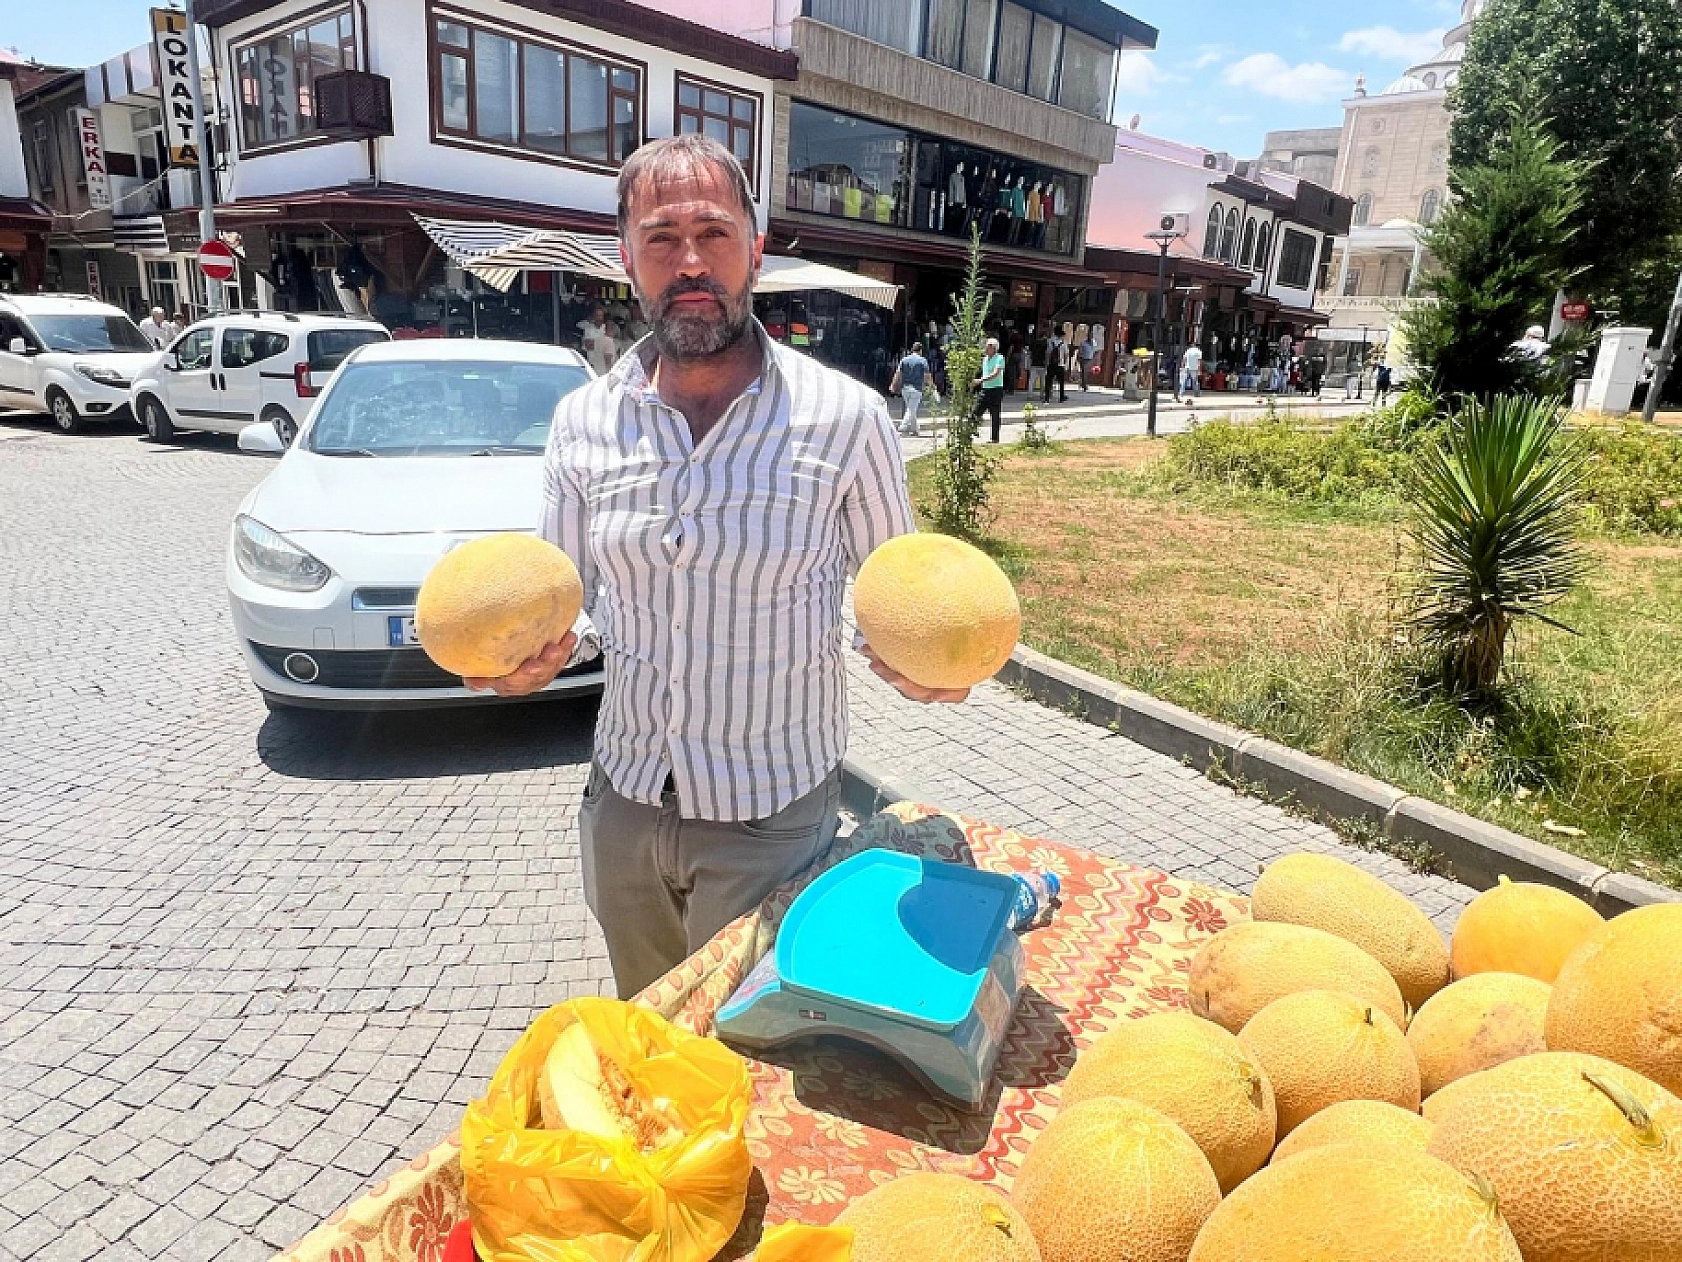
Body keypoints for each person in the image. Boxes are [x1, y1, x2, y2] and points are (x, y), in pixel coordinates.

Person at [464, 135, 965, 999]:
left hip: (771, 816)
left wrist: (928, 666)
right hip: (623, 804)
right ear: (627, 260)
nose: (689, 261)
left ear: (756, 251)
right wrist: (528, 659)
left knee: (752, 1058)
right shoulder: (583, 422)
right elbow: (566, 598)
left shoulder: (847, 420)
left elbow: (900, 592)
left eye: (714, 234)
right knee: (647, 1038)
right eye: (661, 238)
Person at [893, 341, 931, 437]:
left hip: (905, 388)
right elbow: (927, 376)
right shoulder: (923, 361)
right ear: (920, 350)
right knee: (911, 409)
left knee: (911, 409)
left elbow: (898, 373)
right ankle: (903, 427)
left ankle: (915, 430)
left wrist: (893, 385)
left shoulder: (904, 360)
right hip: (916, 389)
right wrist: (932, 385)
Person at [976, 336, 1006, 442]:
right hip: (985, 389)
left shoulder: (999, 358)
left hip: (996, 390)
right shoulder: (984, 359)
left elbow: (995, 373)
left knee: (995, 415)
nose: (985, 349)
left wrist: (981, 380)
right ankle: (973, 430)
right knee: (976, 411)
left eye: (988, 347)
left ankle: (995, 438)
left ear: (994, 348)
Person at [577, 303, 615, 376]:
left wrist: (594, 342)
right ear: (593, 316)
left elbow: (609, 345)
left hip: (606, 364)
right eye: (597, 315)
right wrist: (603, 343)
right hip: (593, 364)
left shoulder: (607, 328)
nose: (599, 318)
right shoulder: (588, 329)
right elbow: (588, 346)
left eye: (601, 316)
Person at [1042, 327, 1068, 403]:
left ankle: (1046, 398)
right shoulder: (1064, 343)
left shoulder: (1050, 341)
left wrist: (1046, 363)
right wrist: (1065, 364)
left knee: (1048, 382)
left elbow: (1047, 353)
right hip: (1060, 365)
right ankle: (1061, 397)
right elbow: (1066, 354)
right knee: (1061, 382)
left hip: (1051, 364)